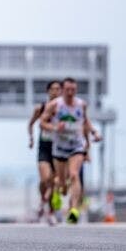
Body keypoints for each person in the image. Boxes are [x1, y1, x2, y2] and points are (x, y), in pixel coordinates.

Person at [40, 77, 100, 224]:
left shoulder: (81, 105)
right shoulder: (55, 105)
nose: (70, 93)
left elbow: (85, 122)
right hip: (59, 148)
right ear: (63, 90)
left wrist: (93, 133)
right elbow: (42, 123)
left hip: (76, 146)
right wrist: (55, 128)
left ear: (76, 90)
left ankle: (73, 209)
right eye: (67, 90)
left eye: (73, 90)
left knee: (74, 174)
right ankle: (57, 193)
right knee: (61, 183)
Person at [28, 80, 61, 224]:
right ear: (48, 91)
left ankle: (51, 211)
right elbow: (31, 124)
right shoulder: (40, 108)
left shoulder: (65, 109)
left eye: (58, 89)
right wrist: (31, 139)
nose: (55, 92)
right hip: (44, 147)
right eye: (52, 89)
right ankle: (43, 200)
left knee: (54, 181)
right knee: (45, 179)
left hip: (60, 148)